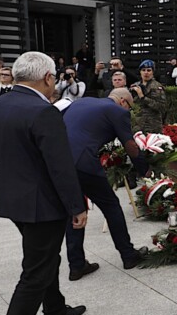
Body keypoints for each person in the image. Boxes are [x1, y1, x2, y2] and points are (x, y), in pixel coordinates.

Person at [0, 51, 88, 315]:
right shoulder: (44, 111)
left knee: (45, 257)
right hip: (42, 205)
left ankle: (55, 309)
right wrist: (77, 206)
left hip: (14, 199)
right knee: (36, 270)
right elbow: (60, 167)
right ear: (48, 78)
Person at [62, 88, 149, 279]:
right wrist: (145, 170)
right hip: (84, 163)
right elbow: (131, 146)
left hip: (60, 165)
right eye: (129, 107)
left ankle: (76, 265)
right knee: (111, 206)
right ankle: (128, 255)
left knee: (75, 210)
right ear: (123, 102)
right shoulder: (118, 111)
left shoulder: (81, 102)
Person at [131, 59, 167, 133]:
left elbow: (161, 107)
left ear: (153, 72)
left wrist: (143, 97)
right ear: (140, 72)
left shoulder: (157, 87)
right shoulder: (135, 86)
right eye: (143, 70)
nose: (146, 73)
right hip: (138, 124)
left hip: (152, 125)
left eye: (149, 70)